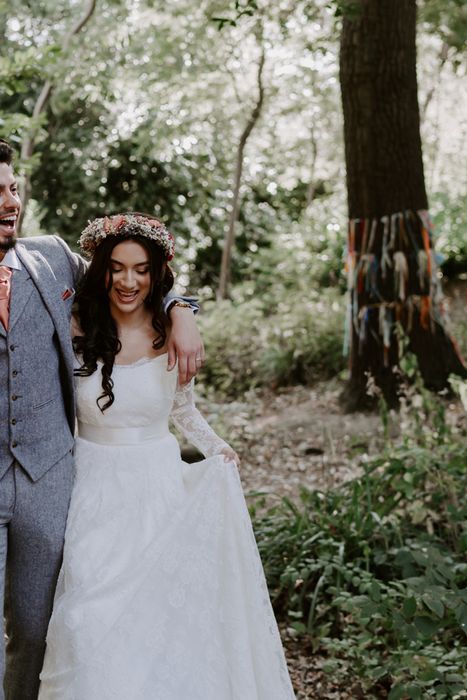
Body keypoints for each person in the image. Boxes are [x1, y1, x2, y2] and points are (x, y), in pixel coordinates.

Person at [38, 213, 296, 699]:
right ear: (102, 271)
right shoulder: (74, 328)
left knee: (158, 622)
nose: (128, 281)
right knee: (86, 618)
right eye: (116, 268)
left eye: (140, 269)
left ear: (157, 274)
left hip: (157, 491)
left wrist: (218, 449)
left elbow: (184, 410)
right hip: (91, 492)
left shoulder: (171, 332)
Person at [0, 141, 204, 699]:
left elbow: (131, 277)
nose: (10, 201)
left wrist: (183, 309)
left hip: (51, 479)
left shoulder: (48, 259)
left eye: (12, 187)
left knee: (39, 632)